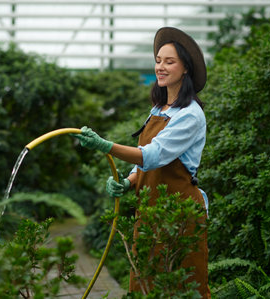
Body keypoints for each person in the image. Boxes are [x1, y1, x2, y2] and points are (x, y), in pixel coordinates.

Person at [73, 27, 210, 298]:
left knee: (182, 287)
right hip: (150, 211)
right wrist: (128, 181)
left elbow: (152, 155)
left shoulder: (190, 115)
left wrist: (105, 146)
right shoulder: (158, 110)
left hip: (179, 213)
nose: (160, 67)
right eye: (158, 60)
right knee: (145, 283)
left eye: (169, 62)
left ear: (185, 68)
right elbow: (144, 163)